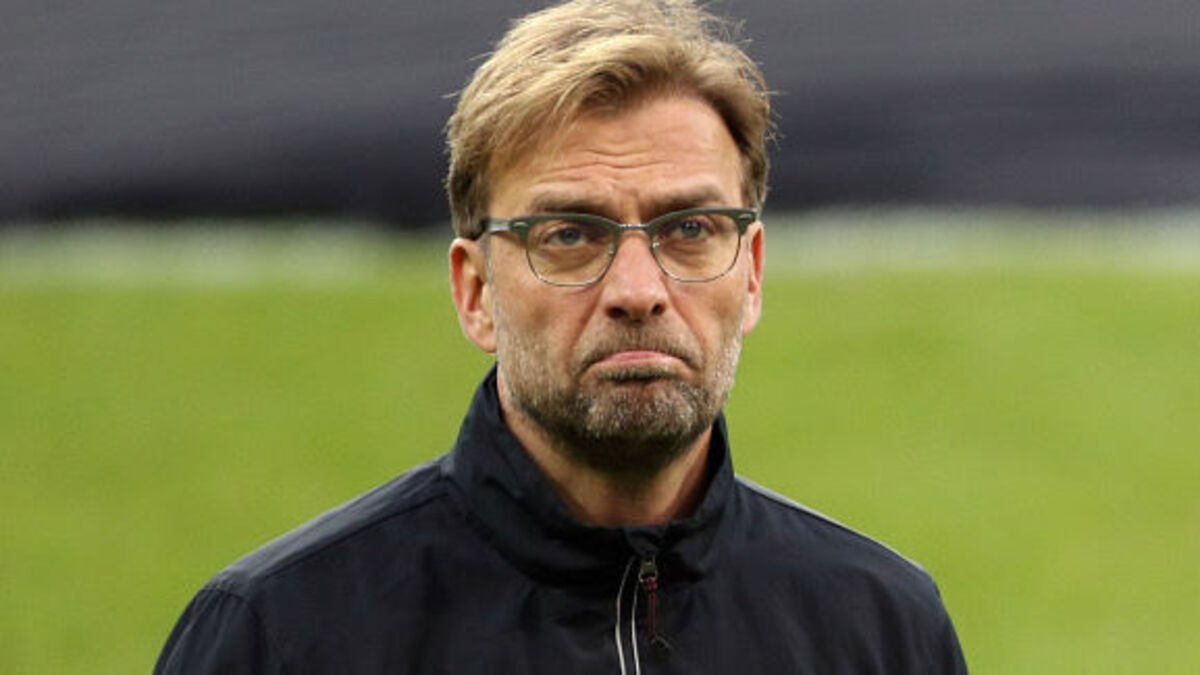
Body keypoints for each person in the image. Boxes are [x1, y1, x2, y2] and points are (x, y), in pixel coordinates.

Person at [155, 1, 968, 672]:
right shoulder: (281, 635)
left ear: (750, 273)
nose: (638, 291)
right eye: (570, 235)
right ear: (476, 292)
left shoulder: (883, 627)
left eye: (690, 228)